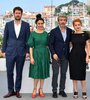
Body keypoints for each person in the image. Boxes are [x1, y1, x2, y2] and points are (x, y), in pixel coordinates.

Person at [2, 7, 30, 98]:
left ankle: (17, 91)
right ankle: (10, 91)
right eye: (16, 13)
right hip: (9, 52)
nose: (17, 14)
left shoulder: (26, 25)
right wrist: (3, 50)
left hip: (21, 52)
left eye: (19, 13)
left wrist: (27, 51)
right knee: (9, 72)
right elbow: (5, 38)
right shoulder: (8, 24)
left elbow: (28, 40)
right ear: (13, 14)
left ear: (21, 14)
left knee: (19, 72)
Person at [49, 15, 72, 98]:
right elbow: (50, 44)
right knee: (55, 74)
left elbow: (71, 42)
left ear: (66, 21)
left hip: (66, 56)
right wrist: (53, 53)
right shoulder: (53, 31)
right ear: (58, 21)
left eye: (64, 20)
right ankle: (54, 91)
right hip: (56, 56)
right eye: (61, 20)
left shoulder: (70, 31)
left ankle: (62, 90)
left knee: (63, 74)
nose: (62, 21)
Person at [27, 14, 50, 98]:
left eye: (41, 23)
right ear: (36, 24)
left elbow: (48, 45)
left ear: (43, 24)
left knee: (43, 72)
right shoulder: (32, 34)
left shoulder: (46, 34)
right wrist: (31, 57)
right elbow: (31, 46)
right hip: (36, 54)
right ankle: (34, 89)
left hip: (44, 54)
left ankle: (41, 89)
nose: (40, 25)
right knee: (36, 73)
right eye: (39, 23)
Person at [69, 19, 90, 99]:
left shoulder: (85, 35)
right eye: (75, 25)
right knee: (74, 75)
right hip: (73, 56)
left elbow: (88, 47)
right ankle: (75, 91)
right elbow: (70, 45)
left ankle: (84, 92)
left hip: (82, 56)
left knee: (82, 76)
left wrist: (87, 56)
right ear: (73, 26)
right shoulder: (72, 35)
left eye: (78, 24)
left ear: (81, 25)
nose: (77, 26)